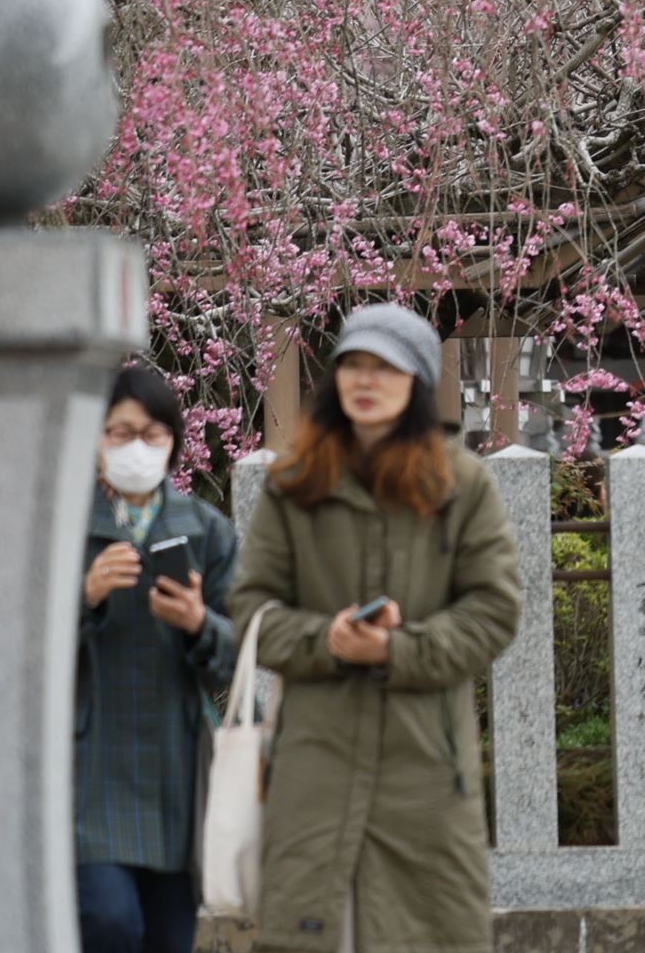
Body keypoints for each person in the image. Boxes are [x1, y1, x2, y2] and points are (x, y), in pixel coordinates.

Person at [234, 307, 522, 953]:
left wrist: (401, 648)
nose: (366, 381)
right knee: (309, 932)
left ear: (416, 383)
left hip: (422, 766)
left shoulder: (461, 483)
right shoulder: (295, 483)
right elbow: (251, 609)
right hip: (314, 762)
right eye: (354, 365)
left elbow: (495, 609)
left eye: (386, 368)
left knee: (427, 934)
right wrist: (324, 641)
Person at [74, 364, 240, 953]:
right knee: (109, 922)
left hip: (177, 759)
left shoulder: (206, 530)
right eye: (119, 432)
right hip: (89, 764)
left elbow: (239, 658)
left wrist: (199, 623)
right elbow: (22, 649)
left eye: (151, 434)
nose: (135, 447)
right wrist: (85, 596)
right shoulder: (66, 528)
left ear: (173, 441)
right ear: (94, 439)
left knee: (171, 937)